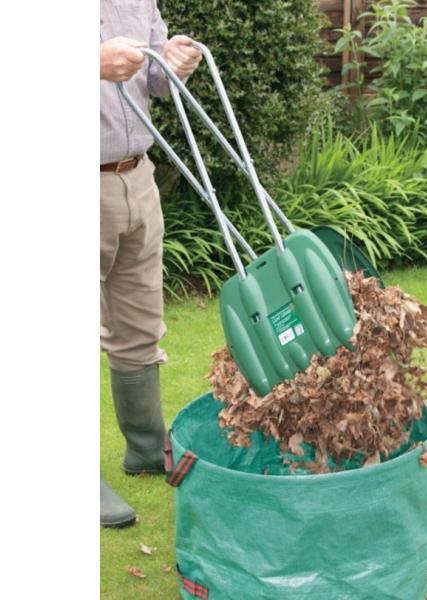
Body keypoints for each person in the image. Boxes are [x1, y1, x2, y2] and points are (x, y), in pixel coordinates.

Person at [100, 0, 202, 528]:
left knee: (139, 324)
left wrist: (175, 61)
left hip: (136, 177)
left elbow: (157, 81)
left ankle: (145, 447)